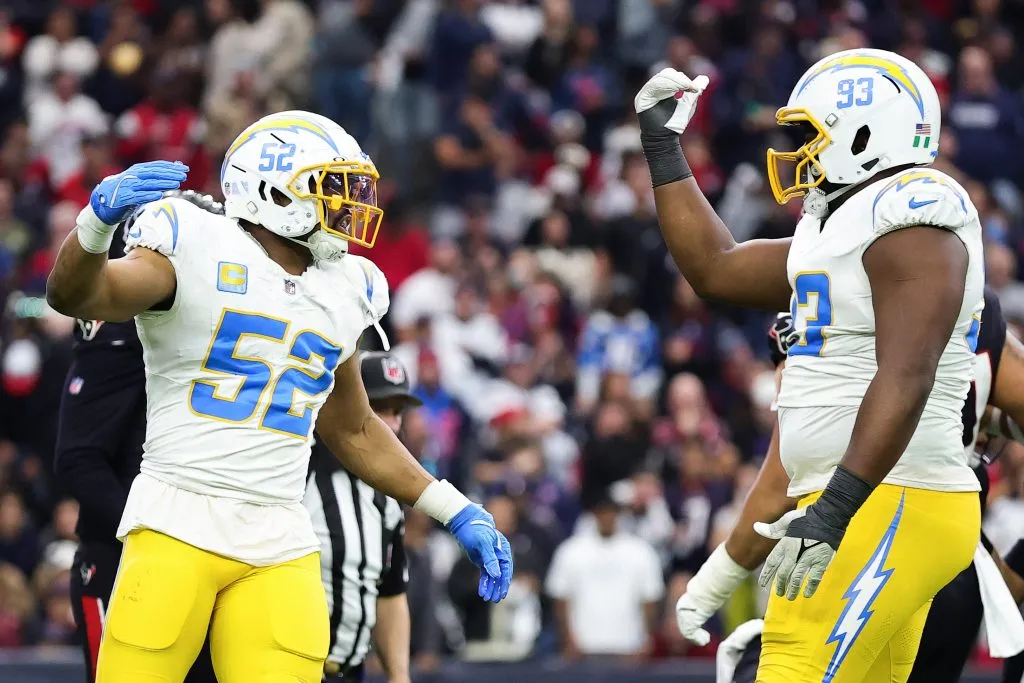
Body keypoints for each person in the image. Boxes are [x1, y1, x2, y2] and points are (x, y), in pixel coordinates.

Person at [45, 110, 514, 683]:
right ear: (273, 189)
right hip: (176, 519)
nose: (350, 206)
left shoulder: (345, 286)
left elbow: (354, 428)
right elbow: (79, 296)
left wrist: (454, 509)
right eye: (332, 188)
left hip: (280, 538)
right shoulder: (194, 241)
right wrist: (94, 227)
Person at [635, 49, 984, 683]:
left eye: (809, 134)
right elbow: (715, 269)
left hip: (892, 496)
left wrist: (835, 510)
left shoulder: (915, 209)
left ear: (865, 131)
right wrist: (663, 151)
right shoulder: (837, 224)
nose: (798, 152)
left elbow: (908, 374)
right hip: (871, 498)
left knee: (792, 664)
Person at [677, 290, 1024, 683]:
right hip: (952, 559)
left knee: (791, 669)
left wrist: (708, 586)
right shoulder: (973, 298)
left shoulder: (841, 290)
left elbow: (779, 486)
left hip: (867, 538)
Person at [54, 191, 223, 683]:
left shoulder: (221, 326)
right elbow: (78, 458)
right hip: (127, 559)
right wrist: (158, 529)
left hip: (203, 559)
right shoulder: (123, 328)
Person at [305, 351, 421, 683]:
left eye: (398, 412)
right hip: (289, 668)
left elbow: (390, 591)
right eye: (379, 408)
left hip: (351, 672)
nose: (393, 424)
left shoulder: (389, 495)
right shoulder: (301, 468)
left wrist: (399, 675)